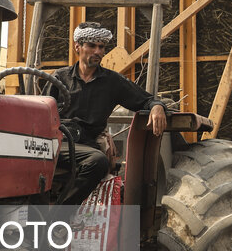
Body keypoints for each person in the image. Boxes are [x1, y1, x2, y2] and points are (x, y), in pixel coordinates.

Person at [44, 21, 167, 207]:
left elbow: (146, 100)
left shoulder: (112, 82)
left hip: (87, 148)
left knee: (97, 161)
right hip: (57, 144)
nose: (98, 51)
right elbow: (41, 111)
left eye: (101, 47)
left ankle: (58, 218)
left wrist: (157, 106)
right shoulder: (59, 78)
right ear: (77, 47)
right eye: (92, 46)